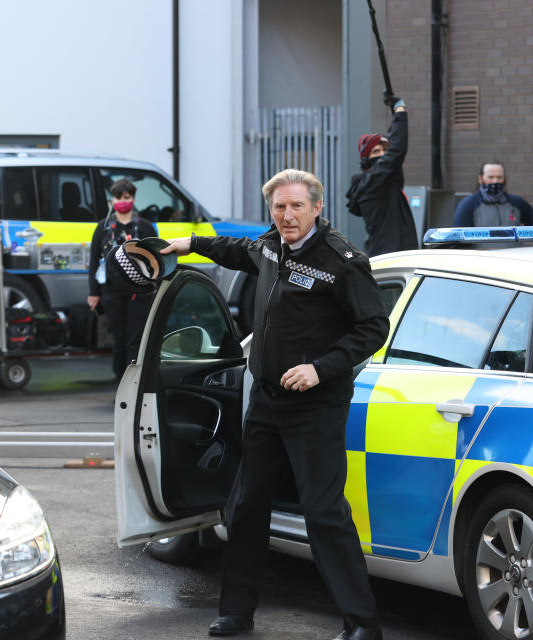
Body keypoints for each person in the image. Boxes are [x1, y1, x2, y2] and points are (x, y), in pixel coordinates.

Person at [161, 169, 389, 640]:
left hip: (316, 406)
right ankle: (236, 613)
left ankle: (362, 623)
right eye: (279, 207)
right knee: (245, 506)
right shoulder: (270, 245)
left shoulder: (341, 261)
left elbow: (373, 327)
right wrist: (191, 243)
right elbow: (238, 250)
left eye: (296, 207)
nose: (287, 216)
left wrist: (320, 368)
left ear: (317, 208)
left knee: (324, 514)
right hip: (265, 400)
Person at [87, 179, 158, 379]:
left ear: (133, 199)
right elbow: (93, 260)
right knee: (118, 340)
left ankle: (133, 383)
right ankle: (120, 381)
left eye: (126, 197)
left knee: (134, 340)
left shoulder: (145, 228)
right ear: (112, 199)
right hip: (111, 292)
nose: (122, 201)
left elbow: (156, 259)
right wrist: (94, 293)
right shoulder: (103, 228)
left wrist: (154, 287)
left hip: (140, 293)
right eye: (119, 197)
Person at [346, 93, 419, 256]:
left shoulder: (382, 180)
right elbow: (396, 151)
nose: (382, 154)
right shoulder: (371, 181)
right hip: (389, 258)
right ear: (366, 158)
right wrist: (400, 110)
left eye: (384, 150)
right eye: (376, 151)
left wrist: (396, 115)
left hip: (395, 255)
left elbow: (394, 151)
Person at [453, 161, 533, 227]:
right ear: (480, 179)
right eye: (490, 177)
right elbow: (459, 238)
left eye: (499, 177)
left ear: (505, 179)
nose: (495, 181)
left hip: (513, 254)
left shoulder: (517, 203)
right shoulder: (468, 205)